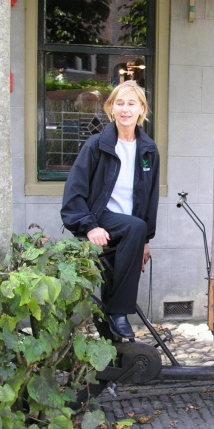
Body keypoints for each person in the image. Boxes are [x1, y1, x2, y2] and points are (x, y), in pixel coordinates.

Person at [61, 81, 160, 339]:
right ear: (111, 109)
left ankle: (112, 343)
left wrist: (145, 242)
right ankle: (119, 313)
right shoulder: (97, 144)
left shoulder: (148, 150)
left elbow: (150, 198)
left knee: (119, 262)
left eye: (131, 103)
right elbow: (74, 192)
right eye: (119, 103)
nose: (125, 109)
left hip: (130, 227)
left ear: (141, 109)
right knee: (134, 227)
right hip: (100, 216)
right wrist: (90, 225)